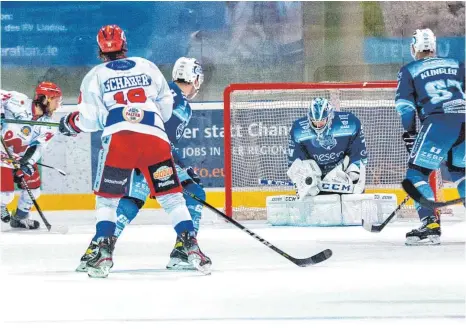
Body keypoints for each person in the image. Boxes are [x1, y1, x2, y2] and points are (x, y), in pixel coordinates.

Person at [58, 25, 211, 277]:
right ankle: (190, 247)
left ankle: (101, 252)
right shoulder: (147, 66)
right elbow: (164, 108)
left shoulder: (95, 75)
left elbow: (90, 119)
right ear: (125, 45)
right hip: (154, 137)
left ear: (100, 50)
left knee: (108, 199)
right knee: (172, 198)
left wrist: (72, 124)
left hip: (120, 138)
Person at [395, 28, 465, 245]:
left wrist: (410, 133)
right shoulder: (457, 64)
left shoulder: (409, 69)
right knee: (460, 172)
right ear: (434, 47)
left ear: (414, 47)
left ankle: (430, 223)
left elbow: (405, 106)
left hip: (439, 122)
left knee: (416, 174)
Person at [270, 97, 370, 227]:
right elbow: (295, 162)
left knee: (354, 214)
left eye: (321, 121)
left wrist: (353, 174)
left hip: (342, 174)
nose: (317, 125)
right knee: (316, 218)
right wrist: (304, 179)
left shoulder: (350, 123)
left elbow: (359, 155)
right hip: (316, 176)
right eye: (314, 122)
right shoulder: (298, 129)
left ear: (330, 116)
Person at [1, 82, 61, 229]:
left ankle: (20, 217)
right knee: (6, 196)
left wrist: (26, 163)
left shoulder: (49, 125)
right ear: (45, 98)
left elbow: (38, 147)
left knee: (34, 189)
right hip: (1, 153)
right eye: (56, 100)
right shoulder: (18, 100)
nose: (58, 105)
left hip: (18, 157)